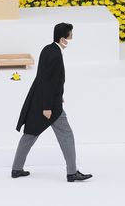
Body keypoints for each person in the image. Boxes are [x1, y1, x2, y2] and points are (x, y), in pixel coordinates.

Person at [11, 22, 93, 182]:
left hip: (39, 99)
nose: (72, 37)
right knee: (66, 135)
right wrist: (48, 106)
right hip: (49, 105)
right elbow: (49, 81)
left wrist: (57, 96)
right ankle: (71, 173)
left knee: (30, 134)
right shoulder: (55, 54)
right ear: (63, 38)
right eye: (70, 34)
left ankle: (16, 169)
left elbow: (47, 79)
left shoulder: (48, 48)